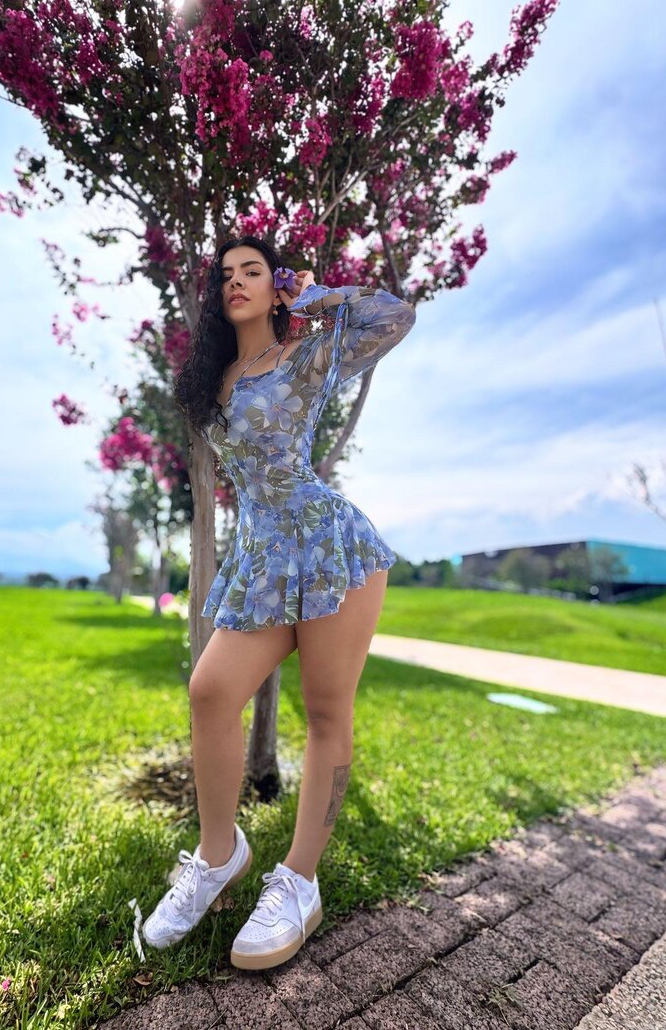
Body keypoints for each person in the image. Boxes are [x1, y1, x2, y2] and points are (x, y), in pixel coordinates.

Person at [142, 235, 417, 971]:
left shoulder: (308, 353)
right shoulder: (214, 382)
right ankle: (218, 855)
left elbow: (396, 316)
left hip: (330, 548)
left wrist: (313, 296)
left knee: (326, 712)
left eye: (253, 271)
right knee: (210, 691)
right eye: (226, 275)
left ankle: (298, 881)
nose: (237, 282)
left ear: (274, 284)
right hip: (263, 558)